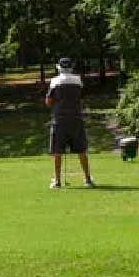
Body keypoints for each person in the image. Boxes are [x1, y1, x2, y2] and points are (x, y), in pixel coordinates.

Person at [45, 57, 95, 189]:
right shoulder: (78, 80)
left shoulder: (55, 81)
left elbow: (48, 101)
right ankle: (88, 180)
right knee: (82, 150)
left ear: (59, 68)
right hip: (76, 119)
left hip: (60, 120)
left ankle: (57, 181)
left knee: (57, 151)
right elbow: (81, 98)